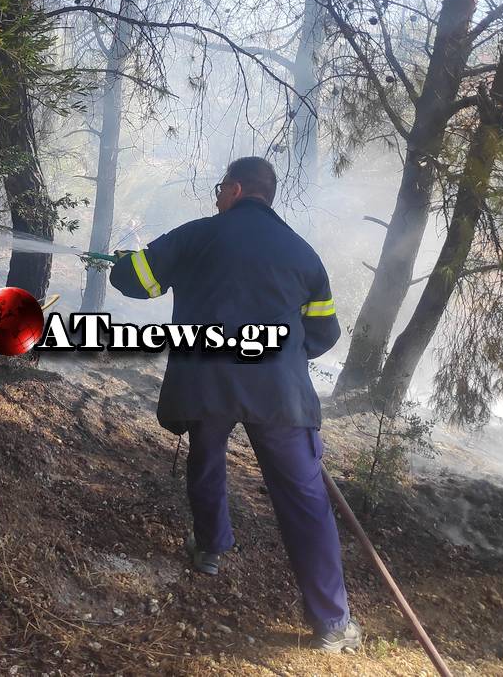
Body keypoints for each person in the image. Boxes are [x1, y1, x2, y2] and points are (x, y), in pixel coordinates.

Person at [108, 156, 361, 652]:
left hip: (206, 379)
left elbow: (135, 281)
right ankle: (331, 622)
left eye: (221, 188)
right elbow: (325, 332)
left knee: (206, 462)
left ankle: (210, 549)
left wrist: (122, 262)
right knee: (306, 500)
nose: (217, 196)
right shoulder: (303, 254)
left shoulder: (198, 235)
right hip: (278, 390)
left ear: (237, 189)